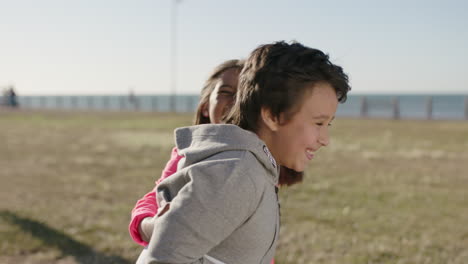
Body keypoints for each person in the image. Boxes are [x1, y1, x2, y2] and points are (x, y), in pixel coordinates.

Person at [135, 41, 350, 264]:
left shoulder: (255, 167)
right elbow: (162, 257)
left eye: (328, 125)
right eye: (319, 123)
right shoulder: (236, 174)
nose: (325, 139)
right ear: (273, 116)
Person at [129, 59, 244, 245]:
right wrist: (150, 225)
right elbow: (155, 196)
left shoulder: (264, 155)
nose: (235, 101)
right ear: (206, 106)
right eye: (226, 92)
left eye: (244, 94)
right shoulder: (187, 154)